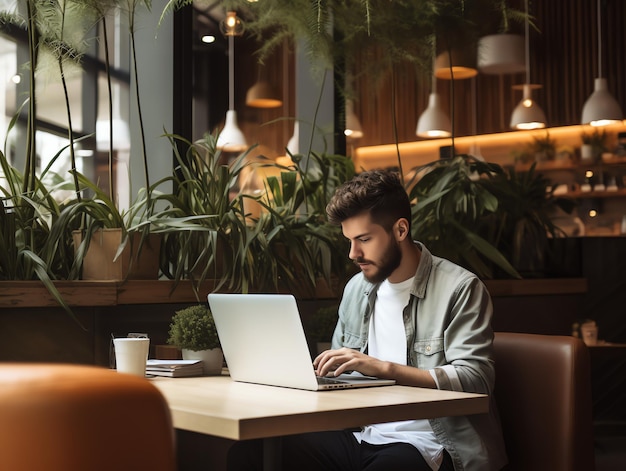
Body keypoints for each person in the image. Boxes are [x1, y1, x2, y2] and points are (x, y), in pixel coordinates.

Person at [228, 169, 507, 471]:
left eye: (364, 239)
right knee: (251, 452)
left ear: (401, 230)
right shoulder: (356, 290)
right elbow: (337, 374)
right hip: (362, 434)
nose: (353, 253)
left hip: (429, 444)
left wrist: (382, 368)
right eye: (349, 240)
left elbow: (477, 380)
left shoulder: (460, 288)